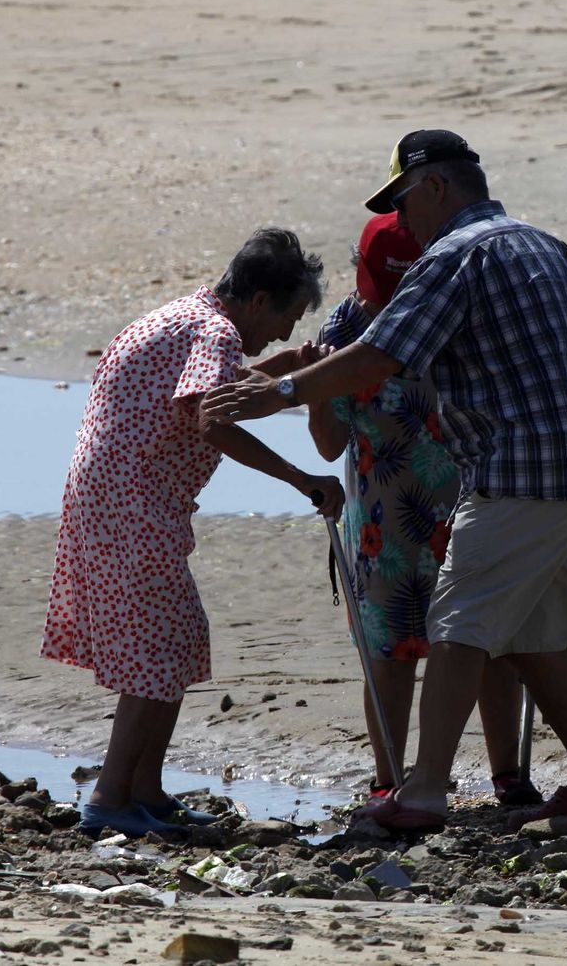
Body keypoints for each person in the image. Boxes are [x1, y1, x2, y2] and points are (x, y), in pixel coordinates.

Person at [205, 130, 567, 832]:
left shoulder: (456, 255)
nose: (401, 224)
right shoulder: (546, 245)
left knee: (456, 627)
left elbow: (378, 357)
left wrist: (277, 395)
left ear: (435, 186)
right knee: (536, 639)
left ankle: (423, 792)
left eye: (403, 204)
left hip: (520, 472)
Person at [42, 228, 345, 836]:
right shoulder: (215, 331)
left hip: (111, 497)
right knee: (158, 648)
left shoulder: (189, 315)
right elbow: (213, 419)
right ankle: (109, 798)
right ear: (260, 301)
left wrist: (288, 369)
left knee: (173, 640)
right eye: (286, 316)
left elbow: (215, 391)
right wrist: (301, 479)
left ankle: (146, 791)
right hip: (131, 503)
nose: (285, 331)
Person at [311, 212, 540, 808]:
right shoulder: (346, 327)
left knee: (484, 642)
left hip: (467, 500)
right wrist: (314, 385)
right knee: (390, 652)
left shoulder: (454, 305)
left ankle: (508, 775)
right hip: (383, 521)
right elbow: (329, 442)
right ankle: (389, 777)